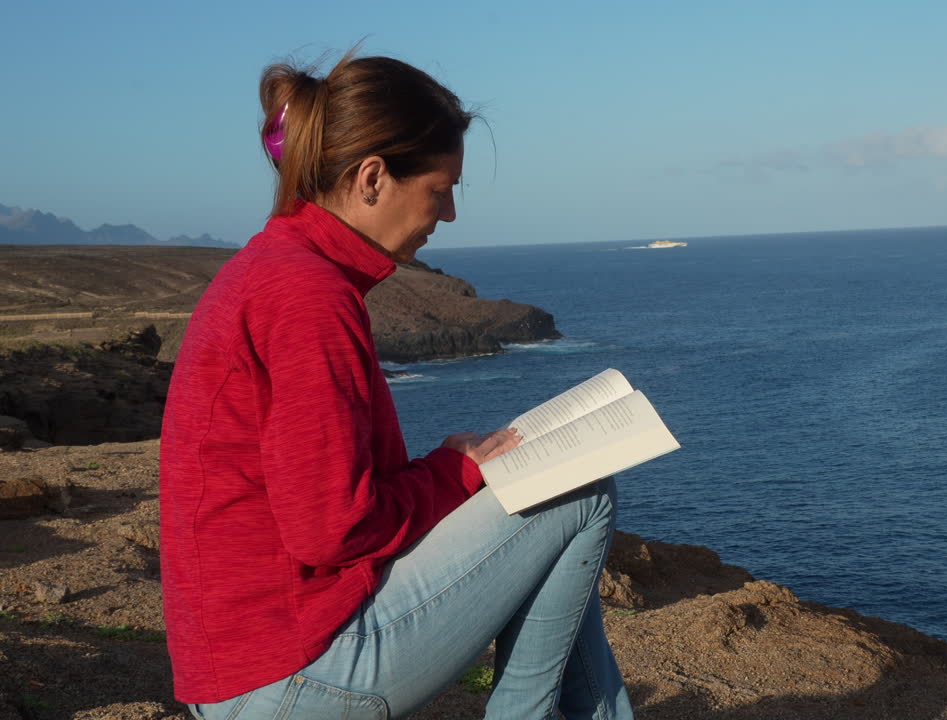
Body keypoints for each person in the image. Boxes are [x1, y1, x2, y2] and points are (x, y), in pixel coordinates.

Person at [159, 50, 634, 720]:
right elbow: (332, 529)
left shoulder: (278, 269)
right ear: (373, 179)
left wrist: (451, 473)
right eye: (440, 190)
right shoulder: (307, 297)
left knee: (556, 502)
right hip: (290, 680)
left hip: (251, 666)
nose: (448, 215)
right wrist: (449, 473)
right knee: (579, 493)